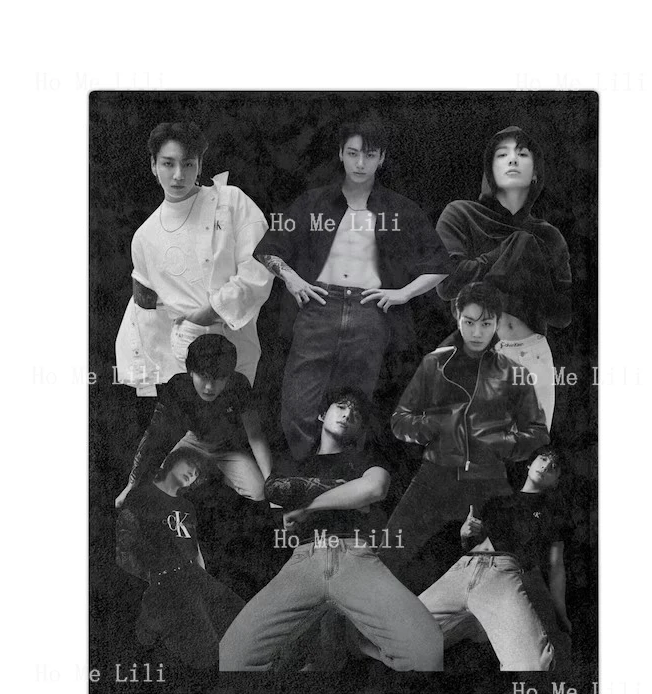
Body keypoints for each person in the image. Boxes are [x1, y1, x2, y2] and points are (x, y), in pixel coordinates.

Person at [252, 118, 452, 459]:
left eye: (369, 155)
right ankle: (306, 472)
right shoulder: (314, 202)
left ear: (381, 158)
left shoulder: (400, 208)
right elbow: (268, 248)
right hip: (319, 305)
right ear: (340, 154)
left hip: (369, 312)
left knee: (354, 408)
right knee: (298, 404)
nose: (360, 163)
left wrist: (403, 293)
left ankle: (342, 477)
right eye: (353, 153)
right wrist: (292, 278)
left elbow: (440, 263)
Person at [219, 387, 444, 672]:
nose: (348, 414)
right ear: (322, 414)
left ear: (360, 428)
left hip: (354, 558)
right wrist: (345, 492)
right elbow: (277, 496)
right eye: (341, 406)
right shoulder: (293, 464)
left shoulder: (365, 459)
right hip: (303, 561)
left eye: (356, 413)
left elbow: (374, 487)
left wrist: (308, 507)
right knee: (233, 657)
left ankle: (356, 643)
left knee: (427, 650)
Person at [386, 282, 549, 591]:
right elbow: (399, 420)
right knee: (387, 557)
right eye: (469, 322)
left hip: (488, 483)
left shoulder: (515, 373)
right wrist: (435, 425)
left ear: (497, 322)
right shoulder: (434, 364)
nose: (477, 332)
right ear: (456, 316)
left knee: (504, 575)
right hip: (434, 476)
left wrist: (502, 443)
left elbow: (538, 434)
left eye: (486, 323)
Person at [115, 121, 273, 396]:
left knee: (236, 416)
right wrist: (146, 379)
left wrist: (214, 309)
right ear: (153, 165)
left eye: (188, 164)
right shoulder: (145, 236)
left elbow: (259, 265)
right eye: (168, 164)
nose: (178, 175)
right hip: (183, 357)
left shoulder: (230, 202)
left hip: (235, 342)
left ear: (199, 165)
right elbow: (146, 313)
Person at [435, 126, 572, 430]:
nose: (512, 159)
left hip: (533, 355)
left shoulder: (549, 236)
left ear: (535, 173)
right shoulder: (460, 214)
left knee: (531, 452)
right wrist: (509, 252)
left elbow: (562, 314)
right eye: (502, 154)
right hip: (478, 355)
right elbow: (447, 283)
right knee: (473, 455)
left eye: (522, 153)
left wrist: (532, 270)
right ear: (489, 169)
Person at [418, 447, 571, 671]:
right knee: (396, 634)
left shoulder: (553, 511)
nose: (546, 465)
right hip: (464, 567)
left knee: (534, 663)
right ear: (530, 464)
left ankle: (475, 623)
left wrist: (560, 612)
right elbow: (474, 542)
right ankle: (470, 623)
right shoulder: (497, 503)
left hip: (501, 574)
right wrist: (464, 534)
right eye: (543, 458)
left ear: (556, 481)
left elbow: (556, 565)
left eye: (554, 467)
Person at [115, 447, 245, 668]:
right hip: (165, 580)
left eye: (197, 472)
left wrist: (203, 580)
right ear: (172, 461)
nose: (192, 473)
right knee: (207, 650)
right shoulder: (141, 495)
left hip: (194, 575)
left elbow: (193, 546)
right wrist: (152, 584)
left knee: (242, 617)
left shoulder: (186, 506)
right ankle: (151, 618)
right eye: (190, 465)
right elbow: (124, 548)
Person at [114, 334, 272, 508]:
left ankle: (214, 475)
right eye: (203, 376)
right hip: (192, 443)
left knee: (259, 491)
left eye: (219, 379)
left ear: (229, 376)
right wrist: (131, 484)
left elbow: (255, 435)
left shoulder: (239, 384)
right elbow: (153, 435)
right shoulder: (178, 385)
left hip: (227, 447)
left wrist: (271, 483)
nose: (210, 387)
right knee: (160, 484)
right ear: (191, 371)